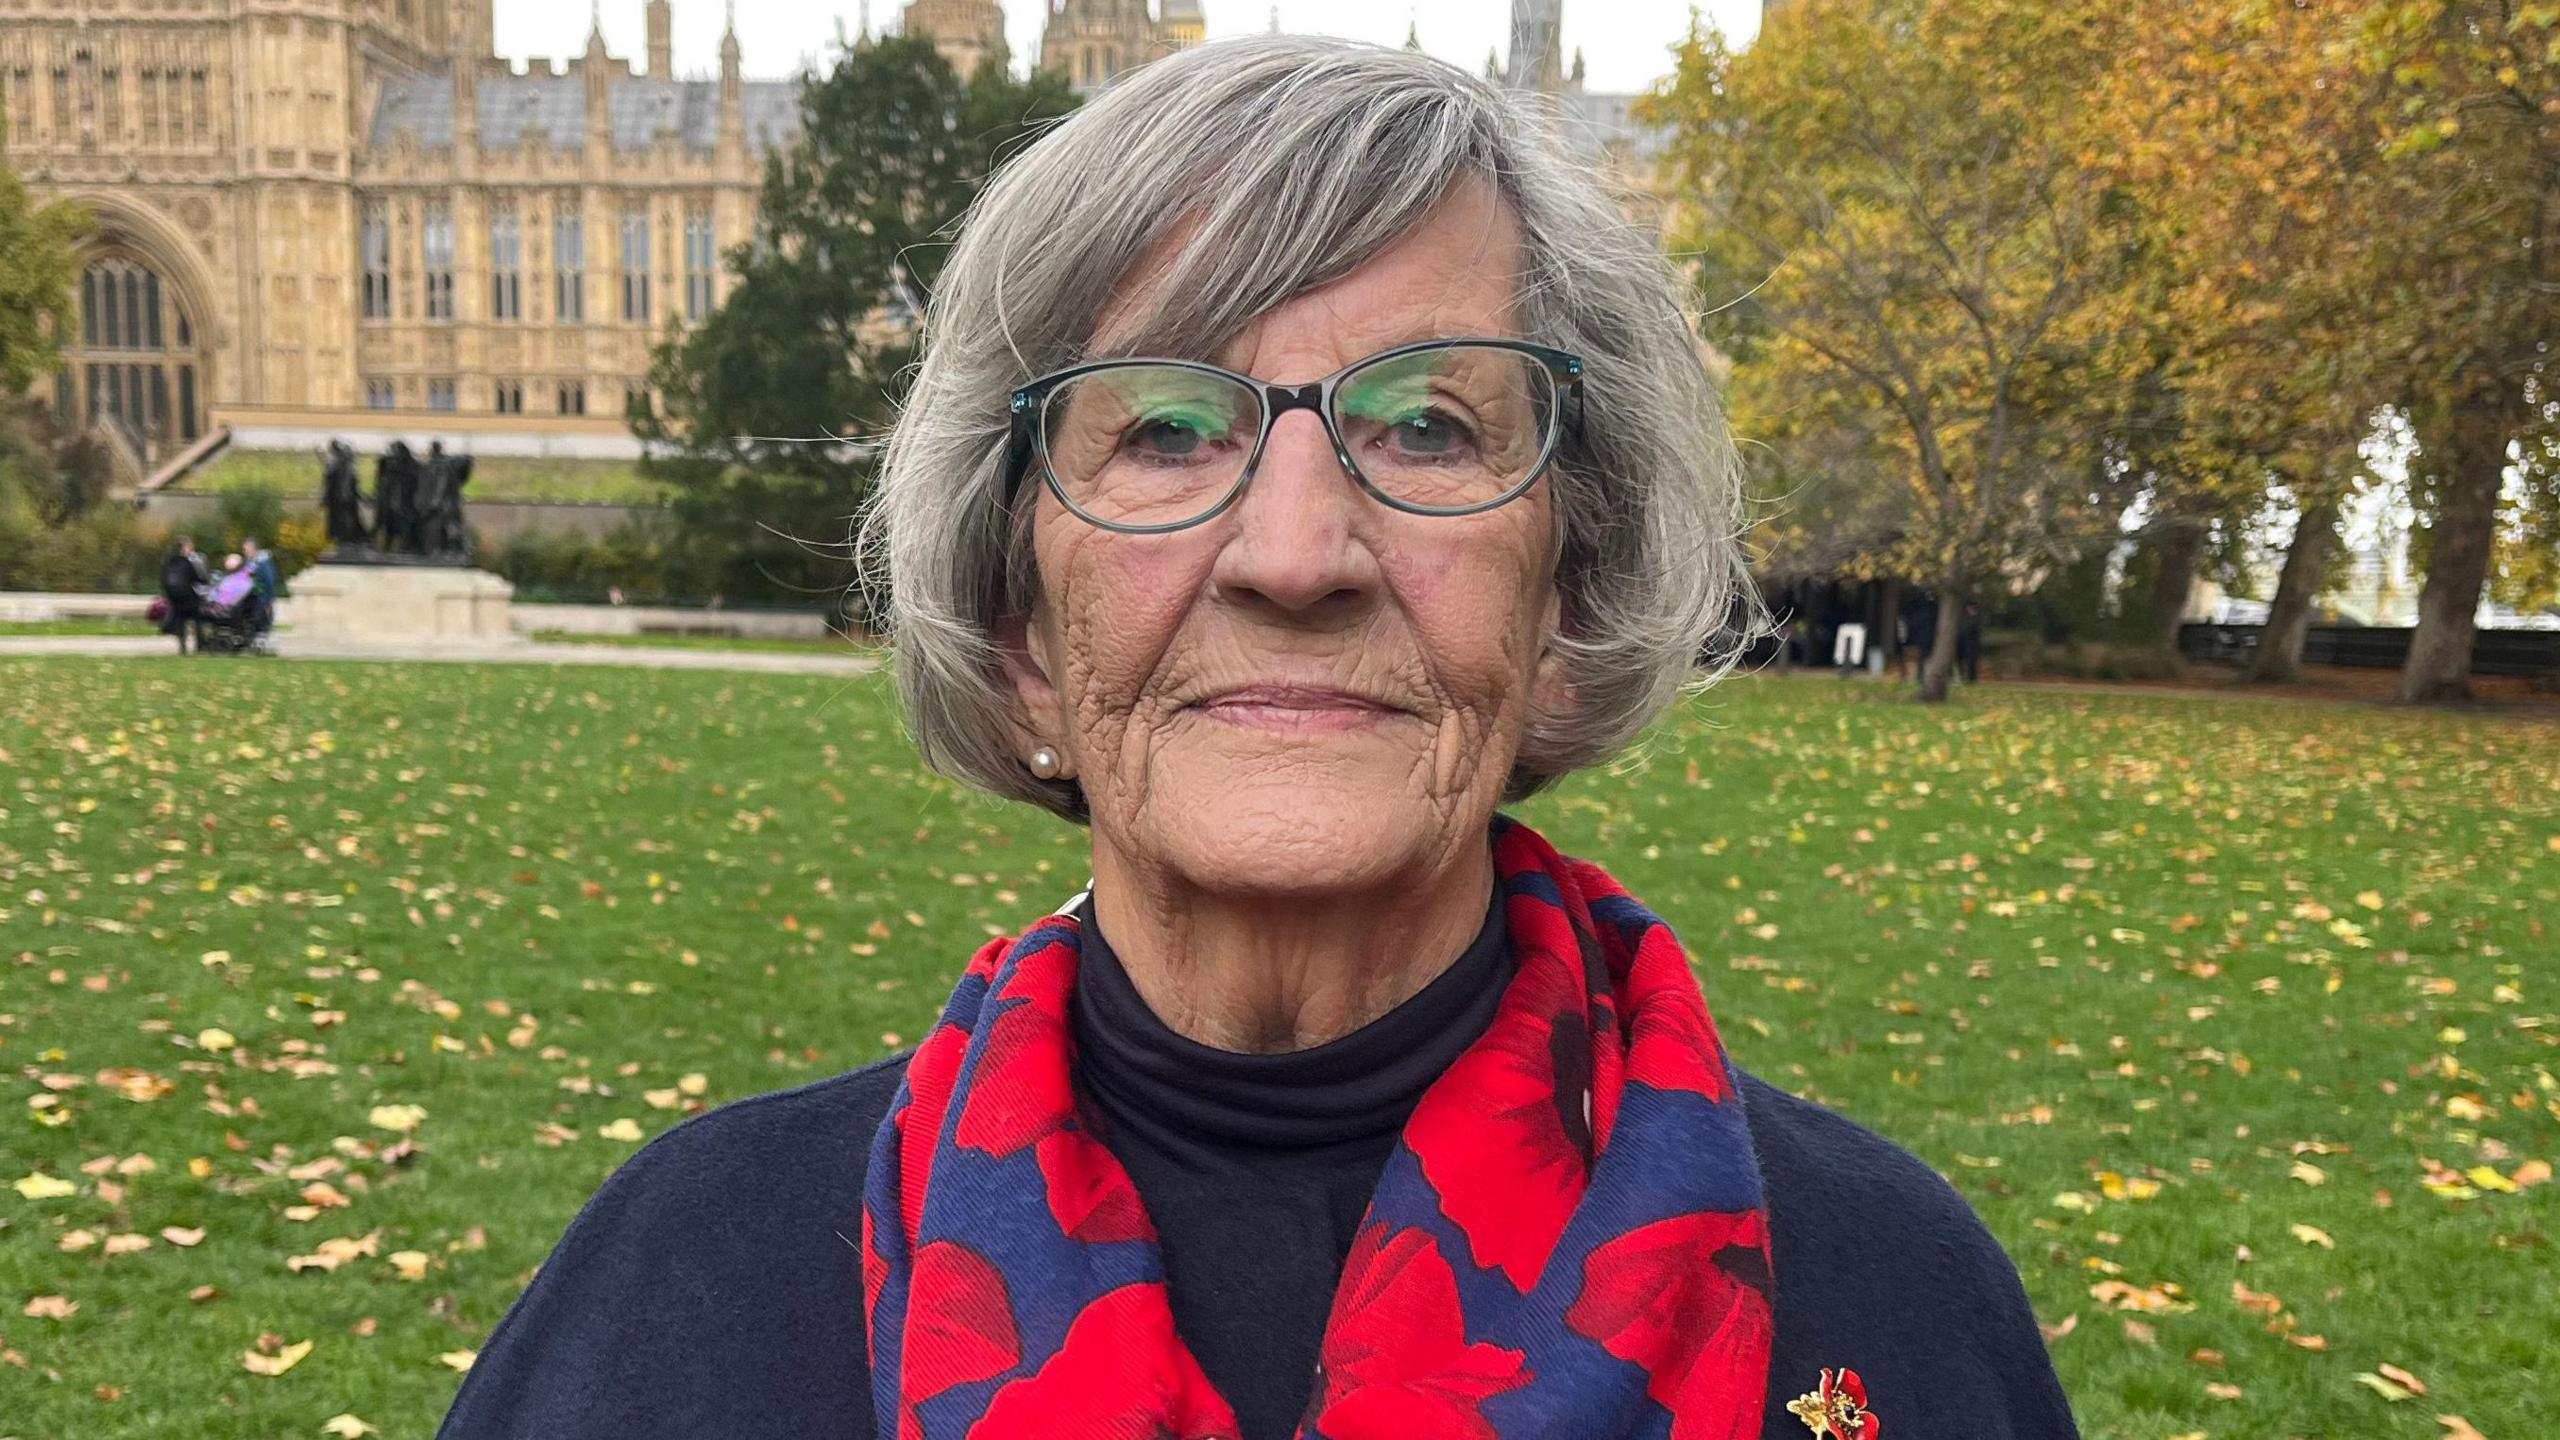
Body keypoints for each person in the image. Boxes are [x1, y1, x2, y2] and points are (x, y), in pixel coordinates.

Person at [437, 38, 2077, 1440]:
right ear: (1019, 632)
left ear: (1568, 609)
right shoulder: (680, 1290)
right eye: (1166, 430)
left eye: (1427, 427)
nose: (1295, 553)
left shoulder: (1893, 1302)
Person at [157, 535, 209, 654]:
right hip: (188, 598)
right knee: (198, 617)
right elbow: (196, 578)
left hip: (174, 599)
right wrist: (204, 581)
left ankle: (182, 647)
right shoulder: (185, 562)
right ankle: (200, 645)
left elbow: (163, 580)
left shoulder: (167, 562)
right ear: (183, 548)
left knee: (180, 621)